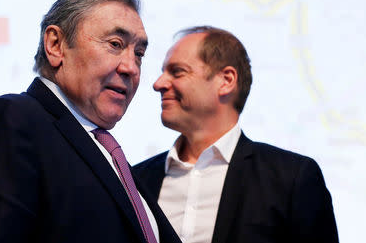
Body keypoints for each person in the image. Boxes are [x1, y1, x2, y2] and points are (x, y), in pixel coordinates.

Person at [0, 0, 181, 243]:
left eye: (138, 54)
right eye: (115, 44)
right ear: (56, 44)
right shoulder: (12, 121)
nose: (131, 68)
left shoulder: (106, 152)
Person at [133, 26, 338, 243]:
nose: (158, 84)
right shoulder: (137, 181)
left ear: (226, 80)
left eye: (177, 72)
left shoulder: (291, 178)